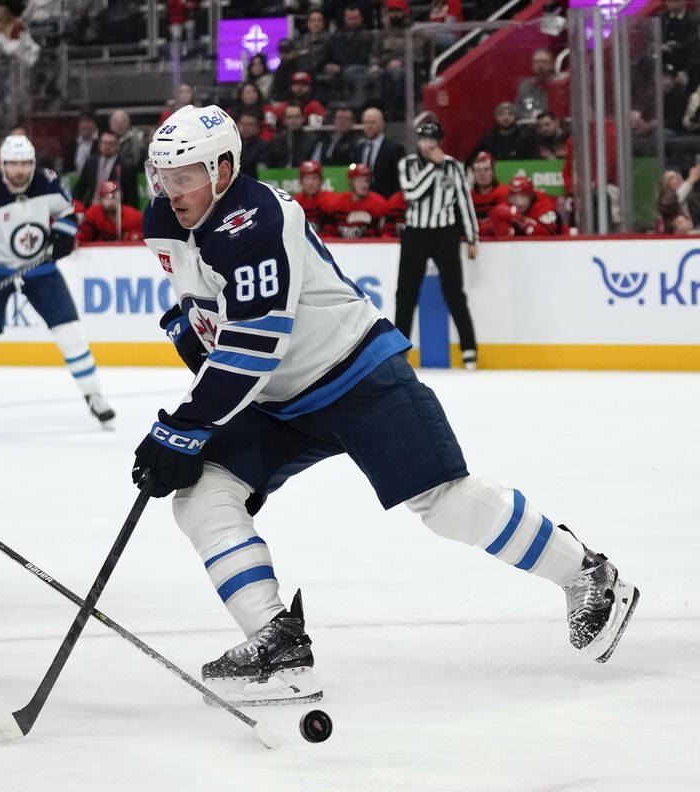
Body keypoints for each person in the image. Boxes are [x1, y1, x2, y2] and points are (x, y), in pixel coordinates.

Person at [132, 104, 639, 705]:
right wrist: (190, 335)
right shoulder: (163, 215)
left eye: (186, 174)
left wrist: (186, 425)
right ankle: (276, 645)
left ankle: (588, 574)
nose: (172, 189)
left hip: (354, 373)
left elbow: (255, 344)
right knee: (202, 495)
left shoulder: (256, 219)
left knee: (445, 502)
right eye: (163, 175)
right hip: (275, 398)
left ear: (223, 168)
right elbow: (206, 309)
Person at [0, 134, 115, 431]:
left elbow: (70, 210)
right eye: (13, 164)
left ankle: (94, 396)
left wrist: (64, 229)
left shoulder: (47, 181)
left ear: (33, 164)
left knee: (71, 333)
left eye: (25, 164)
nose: (20, 171)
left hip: (40, 267)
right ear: (2, 166)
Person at [396, 120, 479, 368]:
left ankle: (469, 350)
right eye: (423, 139)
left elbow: (465, 202)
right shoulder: (407, 164)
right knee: (405, 293)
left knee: (454, 292)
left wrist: (472, 237)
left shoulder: (454, 166)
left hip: (445, 233)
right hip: (415, 234)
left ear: (439, 142)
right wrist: (434, 166)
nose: (427, 145)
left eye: (432, 140)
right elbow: (412, 194)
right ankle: (400, 351)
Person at [323, 162, 389, 238]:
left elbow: (385, 236)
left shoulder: (378, 204)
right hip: (342, 248)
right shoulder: (338, 203)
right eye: (360, 181)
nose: (364, 185)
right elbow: (329, 234)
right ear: (350, 182)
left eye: (367, 181)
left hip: (369, 248)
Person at [488, 175, 562, 237]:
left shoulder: (544, 205)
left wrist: (522, 221)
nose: (518, 203)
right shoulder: (509, 204)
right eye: (514, 197)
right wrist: (498, 227)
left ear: (531, 196)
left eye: (523, 197)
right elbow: (493, 214)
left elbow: (550, 233)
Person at [356, 107, 405, 198]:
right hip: (363, 200)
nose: (369, 126)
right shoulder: (359, 148)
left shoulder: (395, 149)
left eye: (373, 122)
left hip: (386, 200)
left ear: (382, 124)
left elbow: (400, 180)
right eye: (366, 122)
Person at [77, 180, 143, 242]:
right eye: (106, 197)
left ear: (120, 198)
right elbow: (84, 235)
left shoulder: (134, 216)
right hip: (99, 252)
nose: (111, 201)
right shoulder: (93, 213)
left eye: (114, 197)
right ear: (101, 199)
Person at [472, 102, 537, 162]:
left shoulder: (525, 137)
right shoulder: (489, 139)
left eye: (510, 114)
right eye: (501, 114)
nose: (506, 117)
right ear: (496, 117)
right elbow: (478, 159)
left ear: (515, 116)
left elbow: (533, 161)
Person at [469, 152, 508, 238]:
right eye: (478, 171)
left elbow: (502, 225)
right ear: (473, 173)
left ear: (493, 172)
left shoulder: (503, 192)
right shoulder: (468, 196)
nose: (482, 174)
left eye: (486, 170)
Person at [291, 160, 334, 233]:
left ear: (321, 181)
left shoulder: (330, 199)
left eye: (315, 178)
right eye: (307, 178)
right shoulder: (295, 202)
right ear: (301, 181)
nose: (311, 183)